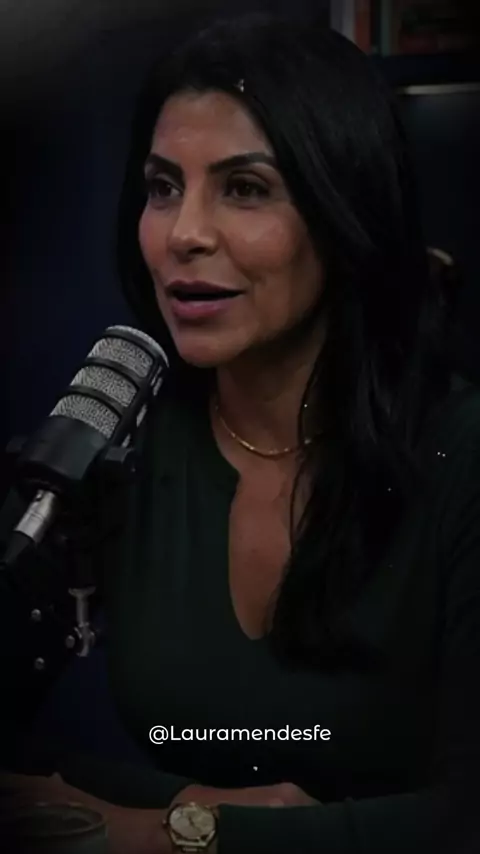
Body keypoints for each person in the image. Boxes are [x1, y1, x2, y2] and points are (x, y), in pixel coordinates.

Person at [1, 9, 480, 854]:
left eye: (245, 189)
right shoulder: (122, 443)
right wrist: (187, 805)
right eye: (162, 188)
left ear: (345, 210)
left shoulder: (461, 451)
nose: (184, 233)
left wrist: (179, 836)